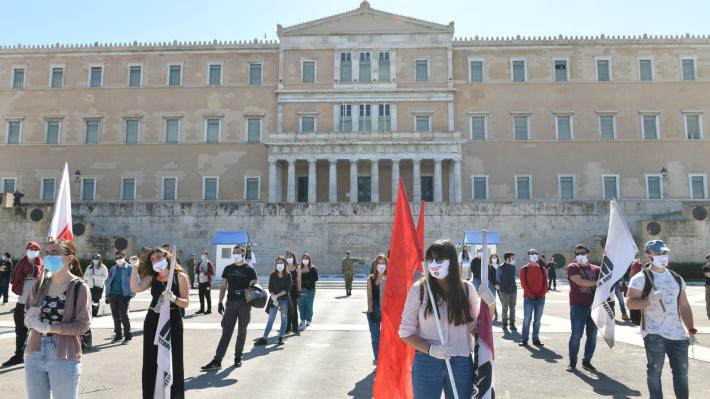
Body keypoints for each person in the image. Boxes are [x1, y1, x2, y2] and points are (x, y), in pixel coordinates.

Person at [399, 239, 480, 399]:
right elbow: (405, 332)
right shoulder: (419, 290)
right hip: (426, 361)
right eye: (430, 259)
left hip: (461, 362)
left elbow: (475, 328)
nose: (434, 263)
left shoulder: (466, 289)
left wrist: (489, 306)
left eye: (439, 259)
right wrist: (431, 350)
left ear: (452, 261)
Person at [626, 240, 696, 399]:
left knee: (682, 374)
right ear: (649, 255)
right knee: (654, 373)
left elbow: (684, 305)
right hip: (653, 333)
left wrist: (691, 330)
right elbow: (630, 303)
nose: (663, 256)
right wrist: (649, 300)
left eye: (665, 253)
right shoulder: (640, 278)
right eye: (659, 253)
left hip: (678, 335)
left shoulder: (676, 277)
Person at [24, 239, 91, 399]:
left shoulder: (79, 287)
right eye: (47, 253)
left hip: (64, 355)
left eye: (55, 253)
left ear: (69, 258)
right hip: (34, 352)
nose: (49, 257)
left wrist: (48, 328)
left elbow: (82, 325)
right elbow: (26, 315)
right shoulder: (40, 284)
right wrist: (29, 318)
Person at [130, 247, 189, 399]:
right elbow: (136, 288)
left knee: (173, 358)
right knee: (151, 359)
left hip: (173, 320)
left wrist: (174, 298)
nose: (156, 260)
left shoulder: (180, 276)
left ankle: (174, 395)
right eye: (153, 259)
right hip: (153, 320)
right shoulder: (152, 276)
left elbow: (185, 303)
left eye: (158, 257)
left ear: (167, 257)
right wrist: (134, 268)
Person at [201, 245, 257, 370]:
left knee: (242, 331)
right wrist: (220, 302)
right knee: (226, 332)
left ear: (243, 254)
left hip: (244, 304)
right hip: (230, 303)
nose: (236, 254)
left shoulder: (249, 269)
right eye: (234, 252)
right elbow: (223, 286)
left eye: (238, 252)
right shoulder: (228, 268)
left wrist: (245, 292)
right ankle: (217, 361)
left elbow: (255, 288)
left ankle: (238, 357)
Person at [2, 241, 42, 367]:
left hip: (36, 305)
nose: (33, 250)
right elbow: (15, 280)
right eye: (31, 248)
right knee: (20, 331)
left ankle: (37, 356)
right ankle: (19, 355)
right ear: (27, 249)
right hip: (21, 303)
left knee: (38, 332)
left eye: (35, 249)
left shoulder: (43, 266)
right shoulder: (21, 264)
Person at [565, 244, 600, 372]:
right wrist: (597, 282)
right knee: (576, 335)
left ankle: (587, 361)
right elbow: (579, 281)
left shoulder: (597, 269)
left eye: (582, 253)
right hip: (578, 306)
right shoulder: (572, 267)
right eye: (577, 253)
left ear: (588, 254)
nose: (580, 255)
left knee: (592, 336)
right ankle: (572, 362)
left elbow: (605, 287)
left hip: (595, 307)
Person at [255, 256, 292, 346]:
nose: (280, 265)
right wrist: (273, 296)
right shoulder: (272, 275)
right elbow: (270, 287)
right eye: (278, 263)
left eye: (281, 263)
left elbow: (287, 289)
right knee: (271, 319)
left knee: (284, 318)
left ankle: (281, 337)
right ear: (275, 264)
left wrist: (276, 296)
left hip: (284, 299)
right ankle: (264, 338)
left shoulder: (288, 275)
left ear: (285, 264)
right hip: (273, 300)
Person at [105, 250, 135, 344]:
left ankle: (128, 336)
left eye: (120, 257)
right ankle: (118, 335)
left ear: (124, 257)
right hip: (113, 294)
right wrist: (107, 296)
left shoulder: (130, 268)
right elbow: (108, 282)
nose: (118, 259)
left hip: (124, 295)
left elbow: (135, 280)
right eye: (116, 257)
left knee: (123, 315)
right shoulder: (113, 268)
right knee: (115, 316)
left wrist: (131, 294)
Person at [519, 248, 548, 347]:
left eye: (536, 253)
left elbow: (545, 283)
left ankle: (535, 339)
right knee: (527, 319)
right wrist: (532, 295)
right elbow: (524, 284)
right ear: (529, 255)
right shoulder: (524, 269)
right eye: (532, 253)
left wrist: (541, 295)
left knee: (537, 320)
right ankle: (524, 339)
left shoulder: (542, 269)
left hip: (540, 298)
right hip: (528, 298)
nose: (534, 255)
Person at [367, 254, 387, 364]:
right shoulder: (371, 279)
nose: (381, 265)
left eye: (383, 263)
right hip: (374, 309)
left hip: (387, 310)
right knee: (375, 337)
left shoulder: (390, 278)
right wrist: (371, 312)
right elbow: (369, 297)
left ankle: (386, 359)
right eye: (379, 263)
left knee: (387, 337)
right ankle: (377, 359)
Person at [496, 252, 518, 331]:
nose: (514, 260)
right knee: (504, 308)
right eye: (512, 258)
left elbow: (513, 277)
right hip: (504, 291)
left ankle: (512, 324)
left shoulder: (513, 267)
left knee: (513, 308)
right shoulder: (500, 267)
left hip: (513, 290)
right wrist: (502, 285)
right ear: (507, 259)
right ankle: (504, 324)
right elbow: (498, 278)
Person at [298, 253, 319, 329]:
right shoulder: (299, 268)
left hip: (310, 290)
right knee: (301, 306)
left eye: (307, 258)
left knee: (309, 306)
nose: (305, 260)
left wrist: (312, 288)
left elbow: (315, 279)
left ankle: (308, 320)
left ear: (309, 260)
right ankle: (302, 320)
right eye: (304, 258)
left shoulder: (312, 268)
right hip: (301, 289)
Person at [285, 251, 301, 335]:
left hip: (294, 289)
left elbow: (299, 280)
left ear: (293, 258)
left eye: (290, 257)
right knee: (287, 309)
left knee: (294, 309)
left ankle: (295, 328)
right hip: (286, 290)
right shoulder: (284, 267)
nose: (289, 258)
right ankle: (287, 328)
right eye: (288, 257)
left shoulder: (297, 267)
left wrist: (299, 292)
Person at [195, 250, 216, 315]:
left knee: (207, 296)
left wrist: (205, 273)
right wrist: (197, 274)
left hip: (207, 282)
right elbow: (196, 271)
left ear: (206, 255)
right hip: (200, 282)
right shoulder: (199, 263)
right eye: (202, 254)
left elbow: (213, 273)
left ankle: (209, 309)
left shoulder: (209, 263)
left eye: (204, 254)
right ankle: (202, 309)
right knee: (201, 296)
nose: (203, 256)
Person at [702, 254, 709, 320]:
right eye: (708, 259)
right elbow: (708, 275)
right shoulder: (705, 267)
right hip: (709, 287)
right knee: (709, 302)